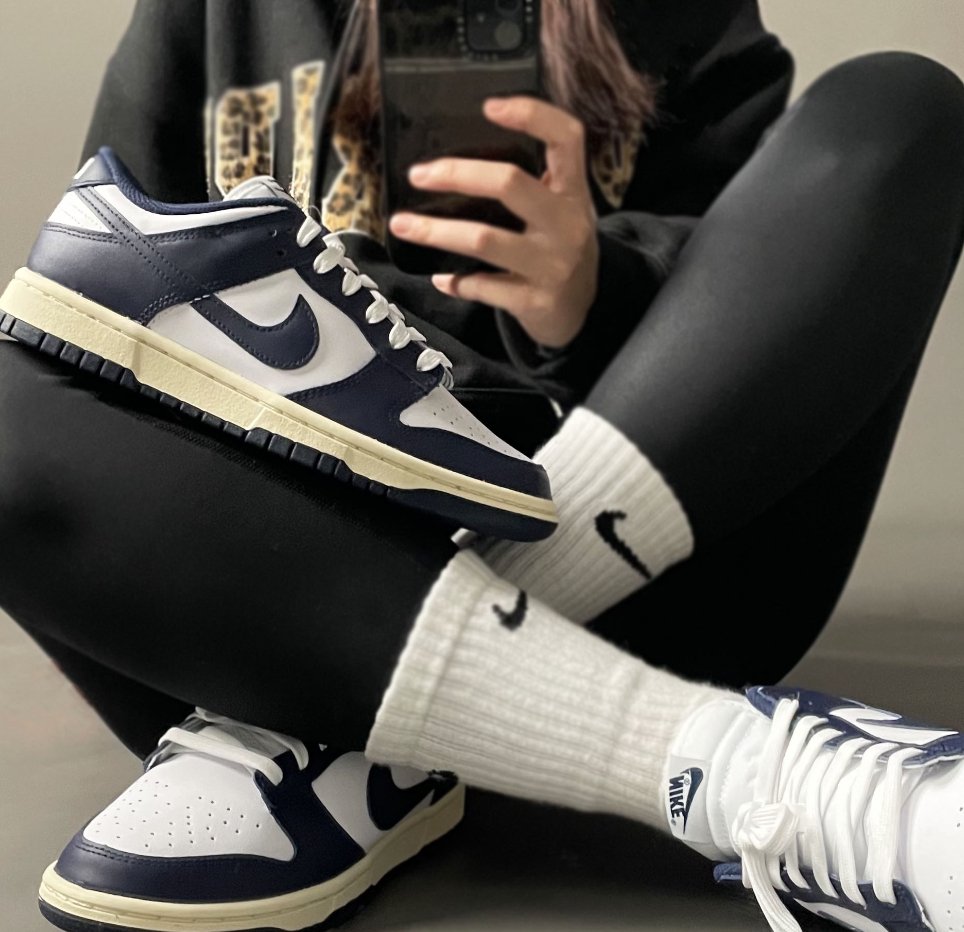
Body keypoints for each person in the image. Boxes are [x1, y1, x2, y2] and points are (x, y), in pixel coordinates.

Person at [0, 1, 962, 931]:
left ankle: (364, 723)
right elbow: (91, 301)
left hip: (632, 551)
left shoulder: (674, 14)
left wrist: (590, 288)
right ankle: (752, 775)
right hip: (268, 582)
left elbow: (772, 307)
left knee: (901, 109)